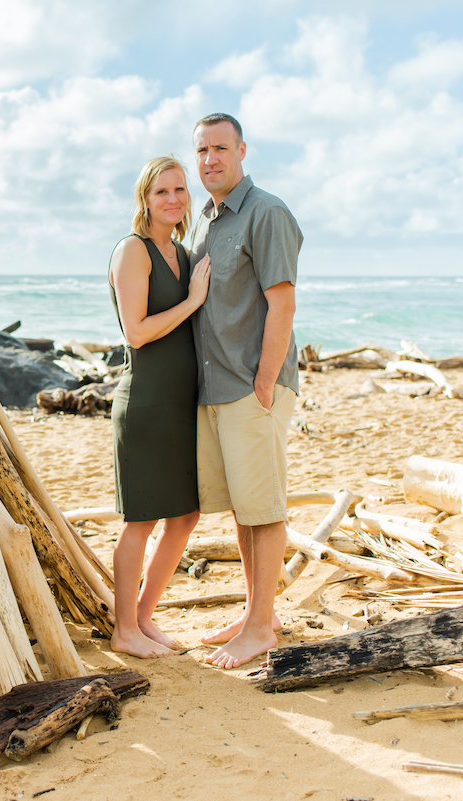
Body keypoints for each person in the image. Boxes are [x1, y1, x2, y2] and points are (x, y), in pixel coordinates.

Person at [188, 113, 303, 669]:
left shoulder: (267, 212)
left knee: (264, 508)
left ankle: (259, 628)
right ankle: (261, 612)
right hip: (215, 389)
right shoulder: (204, 223)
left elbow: (282, 302)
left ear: (241, 151)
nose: (211, 159)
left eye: (220, 149)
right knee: (242, 509)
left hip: (250, 387)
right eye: (202, 150)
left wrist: (264, 383)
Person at [108, 155, 212, 659]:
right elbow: (137, 332)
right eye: (161, 192)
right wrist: (192, 301)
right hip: (146, 404)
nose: (172, 199)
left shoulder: (185, 253)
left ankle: (144, 616)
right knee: (140, 520)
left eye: (180, 190)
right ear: (144, 200)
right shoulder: (135, 250)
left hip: (180, 406)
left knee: (186, 516)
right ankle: (123, 628)